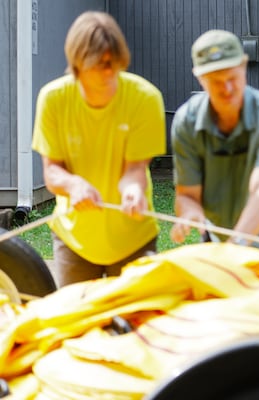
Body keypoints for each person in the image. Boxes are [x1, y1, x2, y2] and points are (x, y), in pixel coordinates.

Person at [31, 11, 166, 287]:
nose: (109, 72)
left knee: (132, 325)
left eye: (114, 64)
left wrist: (133, 190)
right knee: (79, 324)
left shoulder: (146, 98)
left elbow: (135, 169)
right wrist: (73, 184)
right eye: (100, 64)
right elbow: (52, 171)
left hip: (133, 239)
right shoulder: (53, 99)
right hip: (75, 242)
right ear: (78, 63)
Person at [170, 29, 259, 264]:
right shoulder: (186, 122)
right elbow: (187, 195)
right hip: (219, 234)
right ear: (200, 78)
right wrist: (190, 213)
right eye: (217, 82)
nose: (227, 89)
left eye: (232, 78)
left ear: (244, 66)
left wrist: (237, 245)